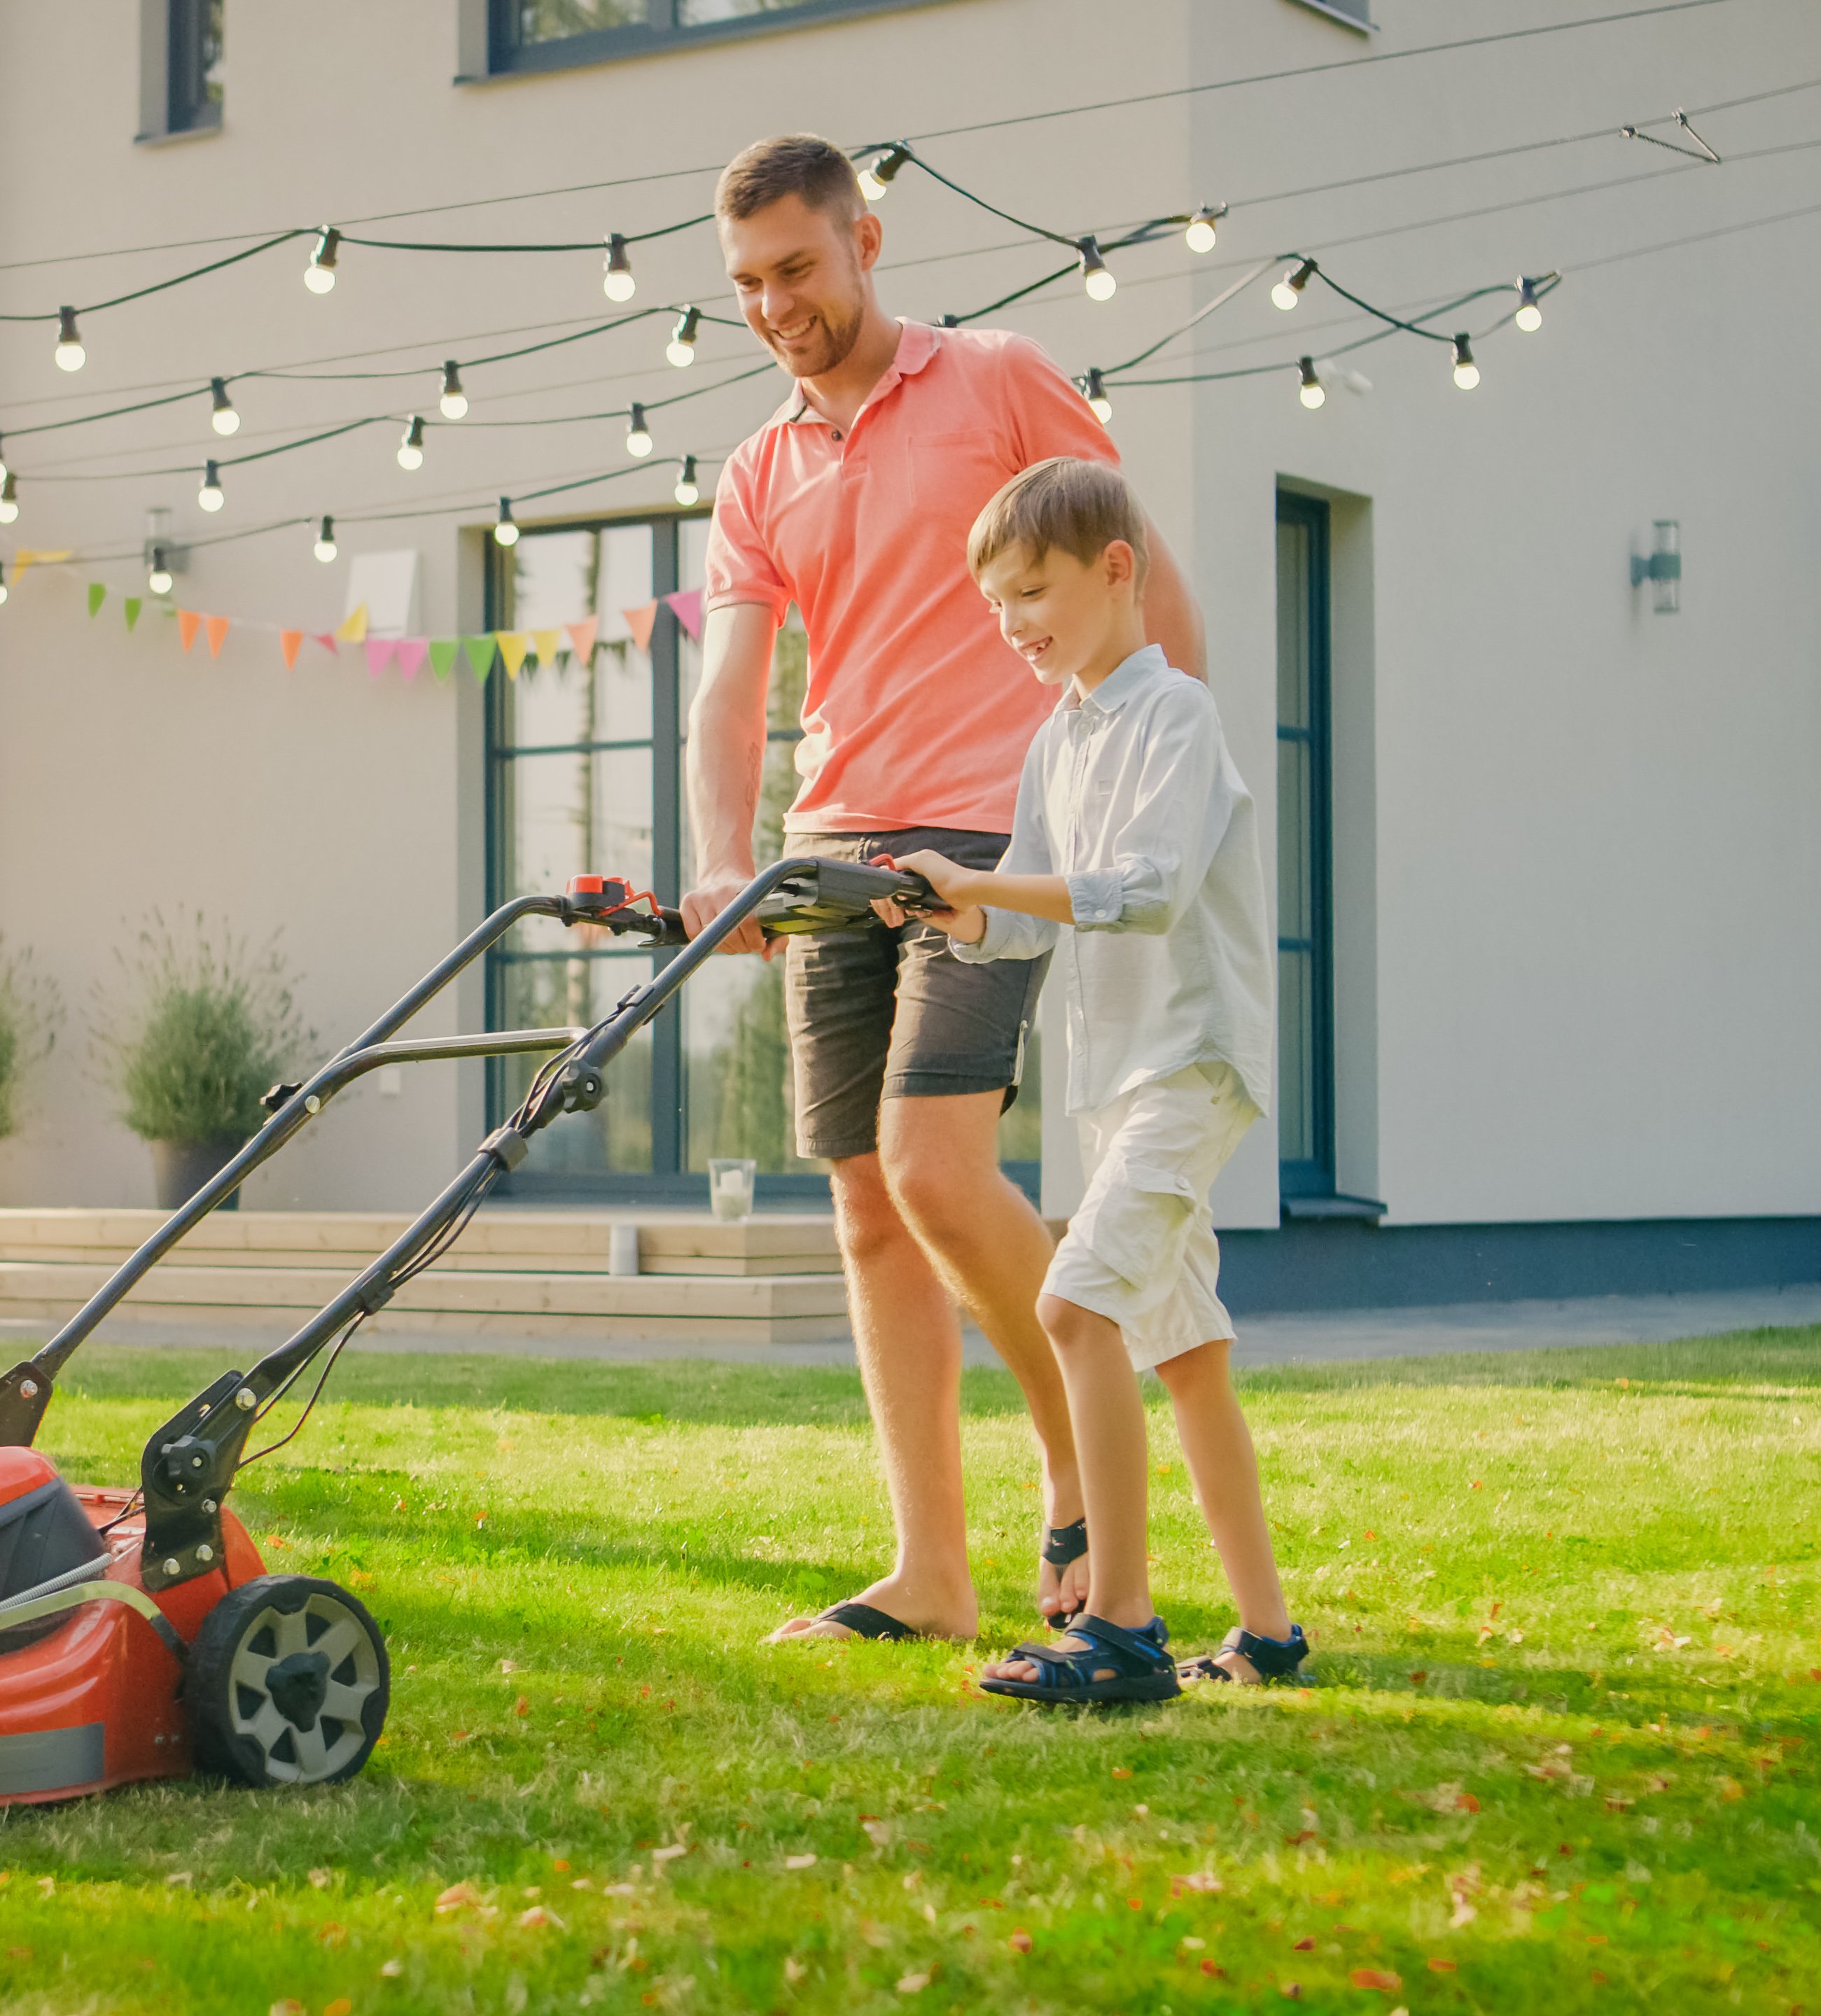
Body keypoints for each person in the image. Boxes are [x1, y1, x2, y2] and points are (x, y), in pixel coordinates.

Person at [680, 132, 1208, 1645]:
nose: (775, 302)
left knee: (932, 1166)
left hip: (991, 833)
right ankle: (931, 1571)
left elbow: (1141, 578)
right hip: (828, 846)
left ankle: (1073, 1458)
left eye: (796, 266)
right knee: (866, 1209)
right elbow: (731, 690)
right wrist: (727, 856)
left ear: (866, 239)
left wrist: (1171, 786)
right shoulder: (756, 469)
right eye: (747, 283)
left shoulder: (997, 381)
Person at [877, 457, 1303, 1702]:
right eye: (996, 604)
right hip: (1119, 1085)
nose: (1012, 624)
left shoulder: (1179, 719)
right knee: (1189, 1357)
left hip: (1191, 1062)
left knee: (1073, 1309)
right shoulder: (1057, 736)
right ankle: (1269, 1637)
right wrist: (941, 911)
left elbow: (1144, 890)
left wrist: (987, 889)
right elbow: (1020, 924)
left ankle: (1120, 1625)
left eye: (1032, 591)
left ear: (1117, 572)